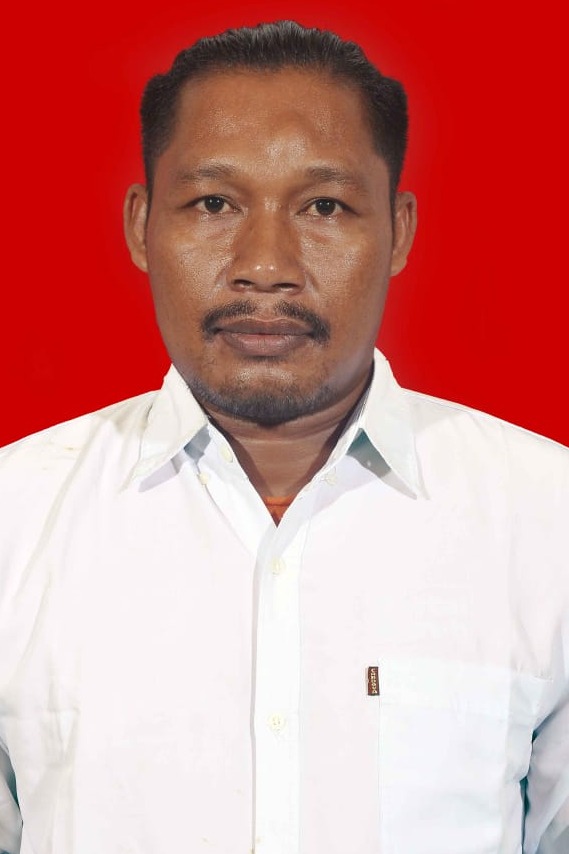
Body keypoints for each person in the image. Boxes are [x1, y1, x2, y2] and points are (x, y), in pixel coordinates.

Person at [0, 19, 567, 854]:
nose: (265, 264)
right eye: (214, 203)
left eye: (324, 206)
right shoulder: (15, 520)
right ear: (141, 225)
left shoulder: (548, 521)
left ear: (398, 230)